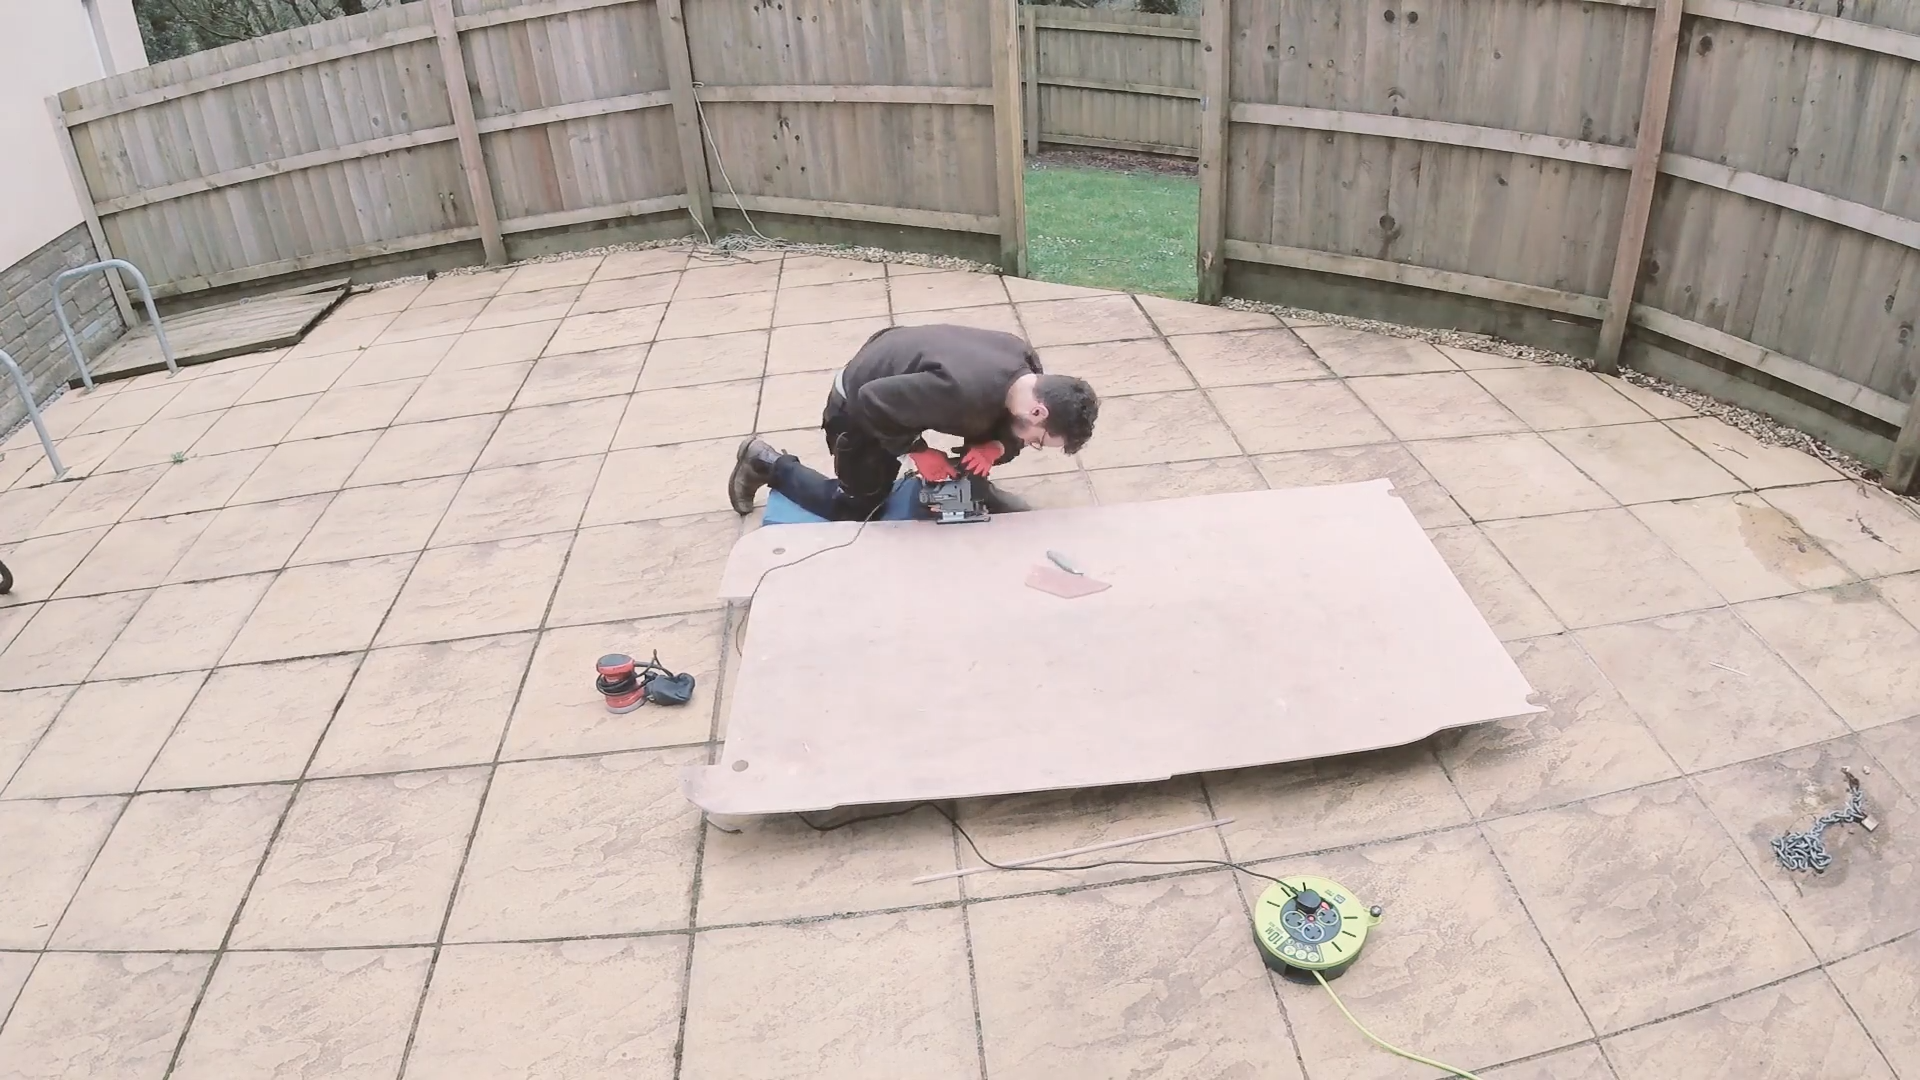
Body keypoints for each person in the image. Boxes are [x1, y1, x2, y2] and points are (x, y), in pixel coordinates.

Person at [727, 323, 1099, 521]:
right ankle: (765, 462)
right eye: (1038, 440)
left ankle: (972, 492)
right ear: (1040, 412)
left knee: (990, 431)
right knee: (856, 508)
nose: (1031, 443)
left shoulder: (1027, 369)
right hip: (858, 403)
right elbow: (871, 400)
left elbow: (1009, 426)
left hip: (908, 370)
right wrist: (917, 451)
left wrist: (996, 446)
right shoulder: (960, 391)